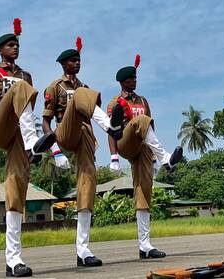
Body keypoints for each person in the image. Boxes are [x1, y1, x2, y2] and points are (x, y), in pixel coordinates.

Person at [0, 18, 56, 277]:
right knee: (20, 90)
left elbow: (29, 111)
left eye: (16, 44)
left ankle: (13, 260)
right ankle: (34, 146)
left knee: (17, 190)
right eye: (9, 45)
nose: (14, 48)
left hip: (20, 131)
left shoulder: (25, 75)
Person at [41, 37, 124, 268]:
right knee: (80, 96)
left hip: (86, 133)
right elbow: (45, 123)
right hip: (65, 131)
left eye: (78, 60)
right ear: (63, 64)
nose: (76, 63)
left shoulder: (85, 87)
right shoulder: (54, 87)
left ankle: (83, 250)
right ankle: (111, 126)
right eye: (72, 61)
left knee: (88, 184)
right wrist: (56, 152)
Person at [106, 55, 183, 259]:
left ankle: (145, 246)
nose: (135, 80)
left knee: (144, 192)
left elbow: (150, 126)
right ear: (123, 81)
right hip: (125, 141)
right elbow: (111, 130)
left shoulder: (143, 100)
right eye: (131, 78)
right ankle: (166, 157)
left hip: (143, 147)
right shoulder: (116, 102)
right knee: (140, 120)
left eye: (135, 77)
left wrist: (154, 158)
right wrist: (114, 155)